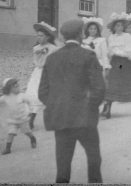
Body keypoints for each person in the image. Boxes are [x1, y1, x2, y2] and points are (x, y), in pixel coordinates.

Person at [38, 19, 106, 183]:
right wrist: (89, 107)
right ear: (80, 34)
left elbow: (42, 92)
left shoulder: (52, 57)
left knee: (63, 162)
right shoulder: (89, 55)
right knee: (94, 157)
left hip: (61, 117)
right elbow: (100, 88)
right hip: (84, 119)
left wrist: (57, 105)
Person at [102, 13, 131, 118]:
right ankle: (108, 107)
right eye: (117, 26)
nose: (119, 28)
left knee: (128, 82)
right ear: (113, 27)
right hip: (114, 62)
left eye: (121, 26)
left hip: (124, 62)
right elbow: (109, 51)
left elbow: (128, 51)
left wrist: (117, 51)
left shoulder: (127, 36)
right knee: (112, 83)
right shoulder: (111, 37)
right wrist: (112, 53)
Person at [0, 78, 37, 155]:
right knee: (11, 133)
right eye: (16, 87)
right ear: (9, 88)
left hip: (23, 119)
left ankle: (32, 138)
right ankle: (8, 148)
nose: (18, 88)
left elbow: (30, 102)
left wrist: (31, 111)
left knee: (27, 132)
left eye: (18, 86)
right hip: (12, 120)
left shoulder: (22, 95)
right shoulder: (5, 97)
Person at [25, 22, 58, 130]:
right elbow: (36, 61)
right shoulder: (36, 48)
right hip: (37, 72)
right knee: (33, 93)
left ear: (47, 37)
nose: (39, 38)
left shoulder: (53, 48)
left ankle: (50, 120)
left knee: (46, 95)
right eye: (38, 36)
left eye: (41, 36)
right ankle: (31, 118)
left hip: (48, 72)